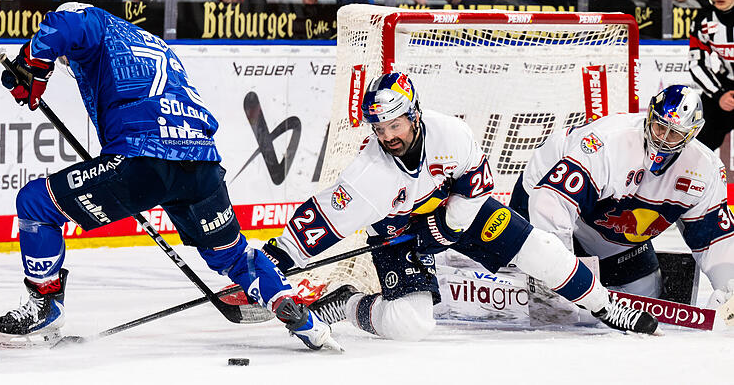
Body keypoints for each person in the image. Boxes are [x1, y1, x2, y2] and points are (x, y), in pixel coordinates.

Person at [0, 2, 337, 351]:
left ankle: (44, 306)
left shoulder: (95, 23)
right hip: (202, 165)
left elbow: (64, 26)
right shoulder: (153, 42)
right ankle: (301, 317)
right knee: (232, 255)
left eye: (67, 59)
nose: (68, 63)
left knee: (35, 204)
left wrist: (32, 62)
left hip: (144, 162)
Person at [260, 72, 658, 341]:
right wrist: (275, 259)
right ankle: (347, 304)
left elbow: (475, 186)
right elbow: (320, 219)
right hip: (400, 234)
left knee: (541, 250)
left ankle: (607, 306)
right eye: (379, 129)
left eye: (395, 125)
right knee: (409, 325)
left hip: (458, 210)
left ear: (413, 114)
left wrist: (447, 227)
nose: (387, 136)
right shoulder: (368, 176)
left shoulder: (452, 134)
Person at [509, 85, 734, 309]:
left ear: (692, 134)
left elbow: (717, 238)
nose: (663, 139)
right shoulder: (609, 142)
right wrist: (562, 275)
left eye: (674, 133)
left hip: (607, 222)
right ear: (650, 117)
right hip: (541, 194)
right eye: (659, 127)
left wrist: (729, 288)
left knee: (647, 297)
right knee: (547, 305)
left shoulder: (706, 169)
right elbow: (552, 204)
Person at [690, 0, 734, 151]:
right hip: (726, 86)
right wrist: (719, 95)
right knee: (700, 140)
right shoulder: (703, 20)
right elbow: (697, 64)